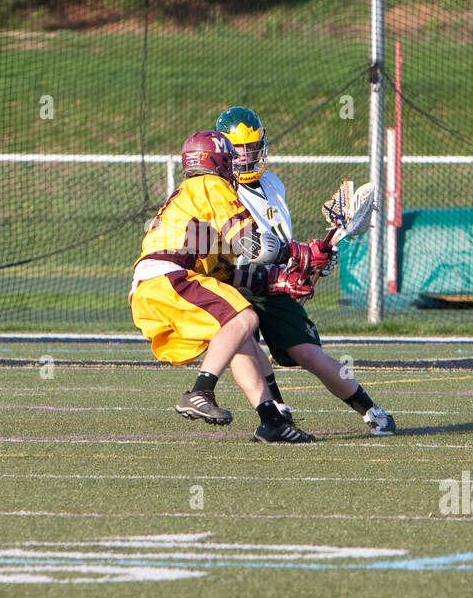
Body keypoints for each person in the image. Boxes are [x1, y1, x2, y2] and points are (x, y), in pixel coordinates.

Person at [129, 129, 321, 443]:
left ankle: (271, 421)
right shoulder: (209, 184)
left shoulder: (194, 204)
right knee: (245, 318)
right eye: (229, 160)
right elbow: (251, 244)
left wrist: (281, 281)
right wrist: (297, 252)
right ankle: (201, 391)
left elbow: (231, 276)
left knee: (241, 338)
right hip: (169, 276)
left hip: (157, 285)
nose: (233, 167)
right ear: (217, 160)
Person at [215, 107, 397, 436]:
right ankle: (275, 414)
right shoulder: (220, 193)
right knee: (245, 339)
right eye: (238, 150)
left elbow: (281, 243)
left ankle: (371, 411)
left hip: (271, 286)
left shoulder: (272, 183)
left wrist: (310, 261)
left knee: (308, 353)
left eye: (251, 148)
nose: (245, 157)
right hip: (233, 280)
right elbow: (243, 247)